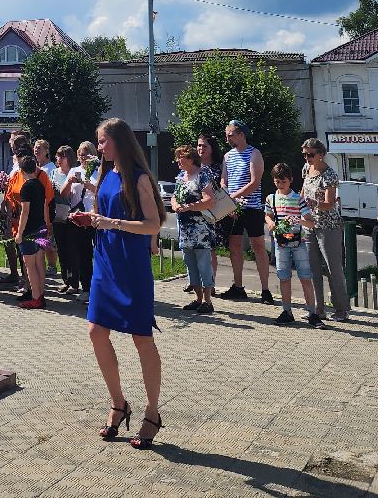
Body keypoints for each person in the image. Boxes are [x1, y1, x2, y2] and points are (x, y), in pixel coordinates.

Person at [78, 118, 165, 450]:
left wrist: (111, 222)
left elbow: (152, 224)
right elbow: (104, 215)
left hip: (131, 265)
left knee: (142, 337)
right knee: (96, 331)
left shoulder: (139, 177)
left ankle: (152, 412)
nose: (99, 147)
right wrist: (91, 220)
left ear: (120, 141)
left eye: (103, 141)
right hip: (106, 261)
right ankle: (118, 403)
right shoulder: (105, 175)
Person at [219, 120, 273, 303]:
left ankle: (265, 289)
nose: (228, 139)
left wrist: (233, 196)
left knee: (258, 246)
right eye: (226, 135)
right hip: (233, 209)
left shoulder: (254, 153)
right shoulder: (228, 156)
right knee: (234, 246)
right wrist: (227, 197)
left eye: (231, 135)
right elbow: (223, 180)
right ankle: (238, 286)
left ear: (241, 134)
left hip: (252, 207)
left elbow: (255, 182)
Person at [265, 163, 322, 326]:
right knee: (284, 277)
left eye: (283, 181)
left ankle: (312, 313)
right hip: (280, 243)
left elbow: (310, 223)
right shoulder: (271, 198)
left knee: (305, 277)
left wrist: (299, 220)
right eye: (277, 181)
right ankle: (287, 311)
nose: (280, 185)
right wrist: (270, 222)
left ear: (290, 180)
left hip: (298, 243)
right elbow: (268, 215)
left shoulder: (298, 199)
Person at [301, 139, 349, 321]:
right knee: (312, 268)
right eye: (304, 154)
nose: (307, 158)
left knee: (332, 267)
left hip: (328, 225)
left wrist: (316, 203)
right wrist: (298, 205)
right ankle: (317, 309)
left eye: (310, 154)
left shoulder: (329, 174)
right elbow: (303, 192)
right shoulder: (306, 169)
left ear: (320, 154)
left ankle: (341, 309)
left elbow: (330, 204)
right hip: (310, 224)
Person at [171, 144, 218, 314]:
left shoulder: (202, 176)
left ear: (191, 159)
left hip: (200, 229)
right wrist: (175, 205)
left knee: (203, 264)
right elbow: (174, 196)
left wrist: (189, 207)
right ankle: (198, 299)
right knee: (190, 264)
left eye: (181, 157)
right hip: (184, 228)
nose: (178, 161)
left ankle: (207, 301)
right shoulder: (180, 177)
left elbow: (209, 200)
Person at [57, 145, 95, 301]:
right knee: (82, 254)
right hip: (78, 217)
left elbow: (102, 192)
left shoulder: (98, 171)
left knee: (98, 254)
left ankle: (99, 288)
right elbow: (63, 194)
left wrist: (89, 185)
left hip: (94, 217)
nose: (83, 158)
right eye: (80, 154)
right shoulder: (74, 170)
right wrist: (69, 182)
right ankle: (86, 288)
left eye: (86, 154)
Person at [13, 155, 50, 309]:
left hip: (29, 230)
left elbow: (25, 212)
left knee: (30, 265)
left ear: (22, 171)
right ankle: (41, 294)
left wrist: (19, 233)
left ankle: (35, 297)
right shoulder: (40, 185)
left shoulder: (26, 187)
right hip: (40, 227)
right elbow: (44, 206)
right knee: (40, 263)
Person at [34, 139, 62, 278]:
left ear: (46, 151)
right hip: (36, 207)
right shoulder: (35, 167)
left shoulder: (50, 168)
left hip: (48, 206)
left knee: (49, 239)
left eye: (40, 148)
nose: (36, 150)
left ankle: (52, 266)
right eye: (35, 147)